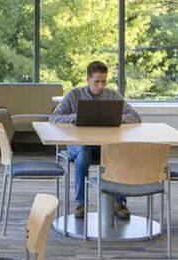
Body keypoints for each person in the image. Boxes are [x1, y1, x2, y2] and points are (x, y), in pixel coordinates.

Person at [49, 61, 142, 220]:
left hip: (104, 145)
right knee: (84, 153)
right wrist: (75, 117)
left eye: (104, 81)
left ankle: (119, 202)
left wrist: (114, 117)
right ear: (88, 79)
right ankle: (81, 203)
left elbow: (135, 116)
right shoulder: (74, 95)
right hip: (79, 144)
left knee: (116, 153)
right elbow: (54, 117)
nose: (101, 86)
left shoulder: (112, 95)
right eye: (97, 81)